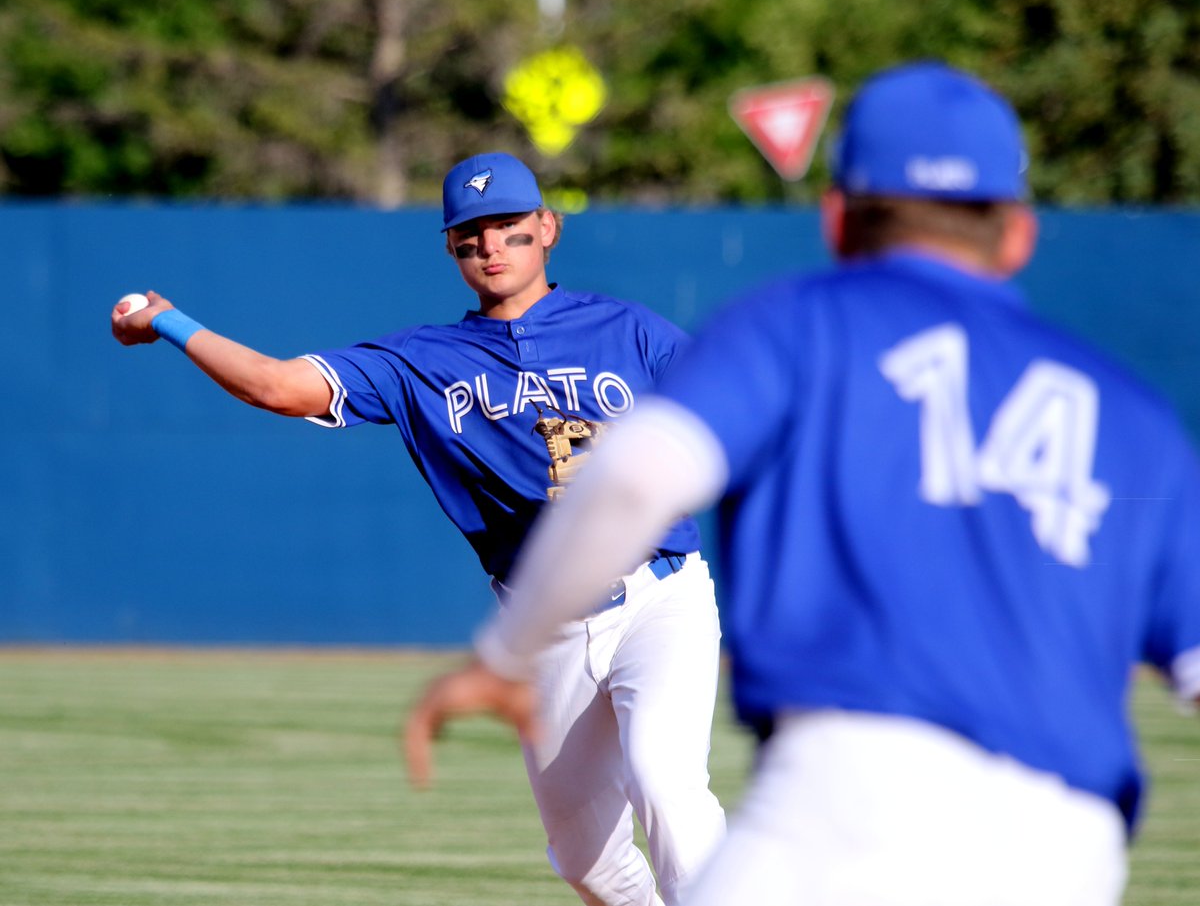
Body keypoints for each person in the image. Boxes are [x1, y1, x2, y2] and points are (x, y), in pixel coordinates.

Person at [404, 63, 1200, 906]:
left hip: (840, 800)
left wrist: (504, 653)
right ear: (1018, 235)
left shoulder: (797, 331)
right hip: (1064, 849)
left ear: (836, 221)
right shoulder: (1135, 423)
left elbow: (634, 476)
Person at [110, 152, 726, 906]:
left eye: (509, 226)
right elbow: (275, 385)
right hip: (543, 623)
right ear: (450, 247)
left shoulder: (630, 332)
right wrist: (169, 321)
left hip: (660, 594)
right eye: (471, 234)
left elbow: (736, 412)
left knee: (669, 789)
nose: (492, 245)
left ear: (547, 227)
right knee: (585, 861)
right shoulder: (418, 362)